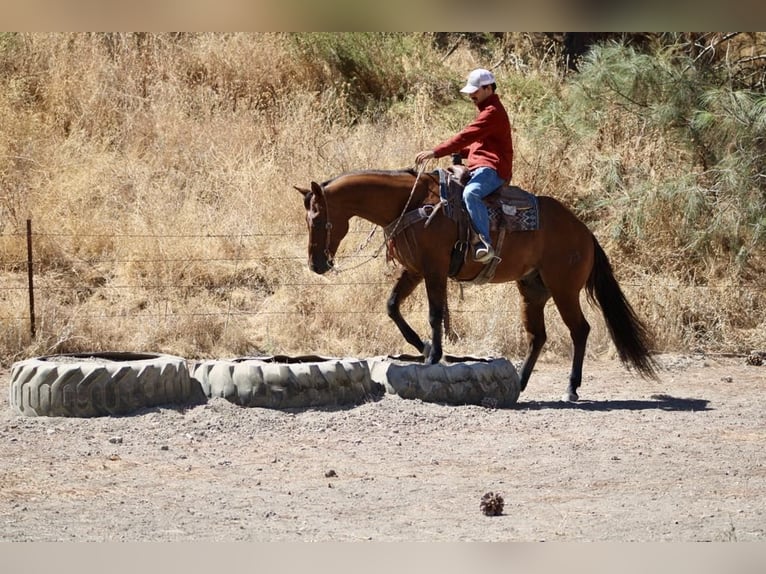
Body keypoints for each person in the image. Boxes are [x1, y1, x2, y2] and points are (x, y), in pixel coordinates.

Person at [415, 68, 514, 264]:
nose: (471, 95)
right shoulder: (486, 111)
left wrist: (437, 152)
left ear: (487, 88)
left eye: (474, 91)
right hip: (482, 166)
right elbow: (479, 145)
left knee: (471, 193)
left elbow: (466, 137)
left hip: (493, 170)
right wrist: (460, 152)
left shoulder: (492, 112)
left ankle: (484, 244)